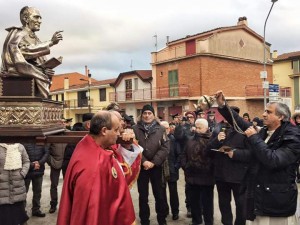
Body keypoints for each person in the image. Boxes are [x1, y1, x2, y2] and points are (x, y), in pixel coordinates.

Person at [214, 90, 300, 225]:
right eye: (265, 111)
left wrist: (254, 138)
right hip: (261, 196)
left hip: (277, 200)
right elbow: (241, 123)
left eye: (269, 112)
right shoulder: (266, 132)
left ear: (281, 117)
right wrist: (223, 105)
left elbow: (273, 160)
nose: (263, 114)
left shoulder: (293, 136)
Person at [57, 111, 136, 225]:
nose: (119, 134)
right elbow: (90, 213)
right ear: (104, 131)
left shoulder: (90, 143)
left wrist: (127, 145)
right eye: (116, 130)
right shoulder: (92, 167)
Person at [1, 6, 63, 98]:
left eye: (40, 18)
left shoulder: (35, 38)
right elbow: (22, 52)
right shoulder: (18, 33)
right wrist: (51, 42)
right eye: (36, 17)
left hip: (30, 73)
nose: (40, 21)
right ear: (26, 18)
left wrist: (46, 69)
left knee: (43, 78)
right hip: (17, 73)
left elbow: (39, 61)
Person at [207, 106, 251, 225]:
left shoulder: (245, 131)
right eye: (225, 116)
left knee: (241, 205)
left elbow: (252, 153)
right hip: (221, 176)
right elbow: (207, 151)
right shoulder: (218, 130)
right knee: (224, 204)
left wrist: (235, 154)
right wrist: (217, 140)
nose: (227, 119)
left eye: (230, 116)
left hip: (239, 176)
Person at [132, 104, 169, 225]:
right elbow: (133, 147)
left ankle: (162, 220)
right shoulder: (135, 129)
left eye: (149, 113)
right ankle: (144, 220)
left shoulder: (161, 129)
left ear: (153, 115)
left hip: (156, 167)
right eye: (145, 113)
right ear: (141, 115)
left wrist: (153, 162)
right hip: (141, 167)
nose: (147, 116)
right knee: (143, 196)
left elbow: (165, 147)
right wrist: (144, 161)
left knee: (159, 195)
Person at [181, 118, 214, 225]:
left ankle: (209, 222)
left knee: (207, 204)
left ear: (206, 128)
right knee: (194, 203)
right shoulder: (190, 140)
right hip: (192, 177)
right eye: (196, 127)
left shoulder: (212, 140)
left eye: (200, 128)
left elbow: (215, 158)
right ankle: (196, 221)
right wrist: (185, 166)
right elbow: (183, 155)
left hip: (207, 178)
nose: (197, 130)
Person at [0, 143, 30, 225]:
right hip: (2, 188)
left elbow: (26, 161)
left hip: (18, 187)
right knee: (4, 218)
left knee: (20, 217)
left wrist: (22, 173)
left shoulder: (20, 146)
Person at [174, 111, 197, 218]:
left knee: (200, 186)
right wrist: (180, 125)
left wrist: (197, 131)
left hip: (200, 161)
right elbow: (178, 137)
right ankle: (190, 207)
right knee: (189, 186)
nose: (189, 119)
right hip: (187, 161)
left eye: (191, 117)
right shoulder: (183, 128)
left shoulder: (200, 126)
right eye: (187, 117)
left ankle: (199, 207)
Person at [161, 121, 181, 221]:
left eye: (166, 128)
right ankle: (165, 211)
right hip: (161, 171)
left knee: (173, 193)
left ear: (169, 129)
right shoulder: (158, 140)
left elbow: (179, 155)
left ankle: (175, 212)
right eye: (162, 128)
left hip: (172, 170)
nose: (165, 130)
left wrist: (176, 166)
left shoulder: (173, 140)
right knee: (162, 193)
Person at [23, 143, 49, 217]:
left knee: (37, 192)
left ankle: (36, 210)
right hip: (27, 171)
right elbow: (22, 155)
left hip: (39, 171)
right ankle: (22, 211)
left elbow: (46, 153)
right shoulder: (25, 141)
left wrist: (39, 163)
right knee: (24, 192)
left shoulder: (41, 141)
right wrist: (31, 165)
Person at [47, 140, 67, 213]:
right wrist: (51, 161)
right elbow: (46, 150)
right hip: (55, 164)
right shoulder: (53, 135)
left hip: (66, 163)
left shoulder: (68, 134)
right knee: (54, 185)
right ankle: (53, 204)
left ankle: (67, 205)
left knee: (67, 186)